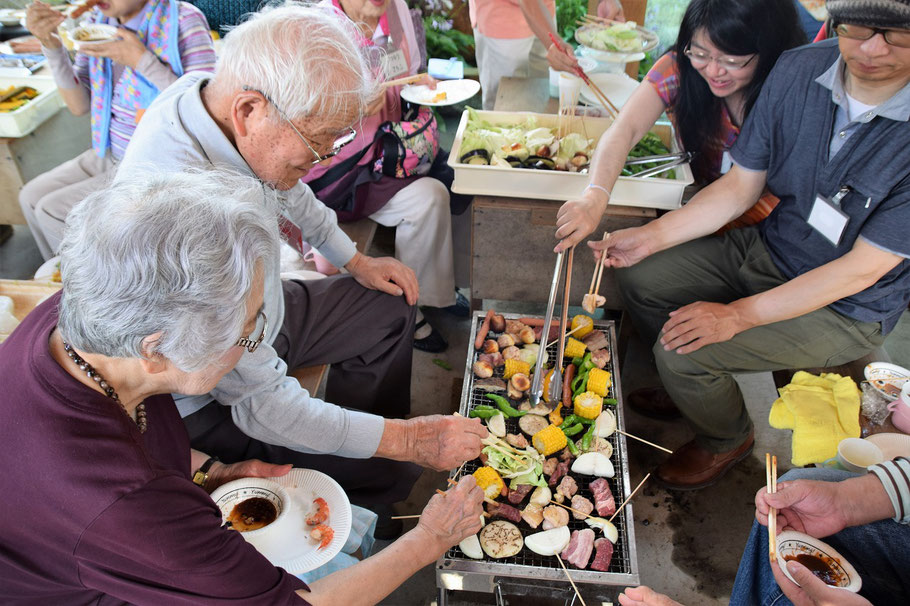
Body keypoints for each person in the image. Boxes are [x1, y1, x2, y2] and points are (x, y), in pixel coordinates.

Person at [0, 169, 485, 604]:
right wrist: (429, 540)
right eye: (248, 330)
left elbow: (135, 438)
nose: (258, 343)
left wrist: (210, 469)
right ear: (157, 348)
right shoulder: (129, 509)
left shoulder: (76, 319)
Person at [115, 2, 486, 522]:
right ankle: (361, 502)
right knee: (397, 465)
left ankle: (359, 441)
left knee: (391, 303)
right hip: (201, 393)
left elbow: (290, 187)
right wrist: (406, 441)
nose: (323, 159)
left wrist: (354, 259)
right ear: (250, 111)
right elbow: (259, 401)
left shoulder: (210, 96)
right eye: (317, 143)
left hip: (258, 317)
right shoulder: (199, 219)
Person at [588, 0, 910, 490]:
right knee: (639, 274)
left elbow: (862, 269)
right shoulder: (801, 67)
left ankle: (727, 439)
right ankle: (694, 391)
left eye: (895, 35)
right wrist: (649, 238)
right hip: (771, 247)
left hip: (847, 304)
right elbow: (742, 186)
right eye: (858, 27)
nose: (869, 48)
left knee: (683, 352)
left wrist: (738, 315)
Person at [555, 0, 806, 254]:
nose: (714, 70)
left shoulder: (788, 91)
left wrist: (654, 235)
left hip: (765, 226)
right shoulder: (680, 66)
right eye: (700, 53)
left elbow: (739, 191)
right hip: (696, 209)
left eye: (731, 59)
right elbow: (625, 128)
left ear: (769, 49)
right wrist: (595, 196)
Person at [302, 0, 471, 353]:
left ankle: (425, 296)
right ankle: (403, 312)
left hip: (387, 153)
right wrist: (353, 110)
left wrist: (420, 86)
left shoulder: (394, 12)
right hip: (337, 172)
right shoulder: (315, 31)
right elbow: (303, 127)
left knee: (447, 186)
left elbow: (405, 72)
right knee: (433, 192)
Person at [19, 0, 216, 260]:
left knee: (51, 210)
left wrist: (141, 60)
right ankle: (63, 278)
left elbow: (205, 109)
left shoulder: (183, 20)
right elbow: (79, 105)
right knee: (30, 197)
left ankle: (96, 289)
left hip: (156, 163)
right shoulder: (97, 22)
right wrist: (51, 45)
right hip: (108, 149)